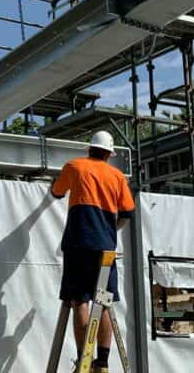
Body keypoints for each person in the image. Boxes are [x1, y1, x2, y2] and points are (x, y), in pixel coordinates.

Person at [51, 130, 135, 373]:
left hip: (78, 245)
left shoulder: (74, 167)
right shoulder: (117, 176)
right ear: (109, 154)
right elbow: (128, 213)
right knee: (105, 302)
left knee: (80, 302)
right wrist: (110, 230)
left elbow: (56, 192)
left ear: (89, 149)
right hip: (105, 250)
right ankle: (103, 362)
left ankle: (83, 360)